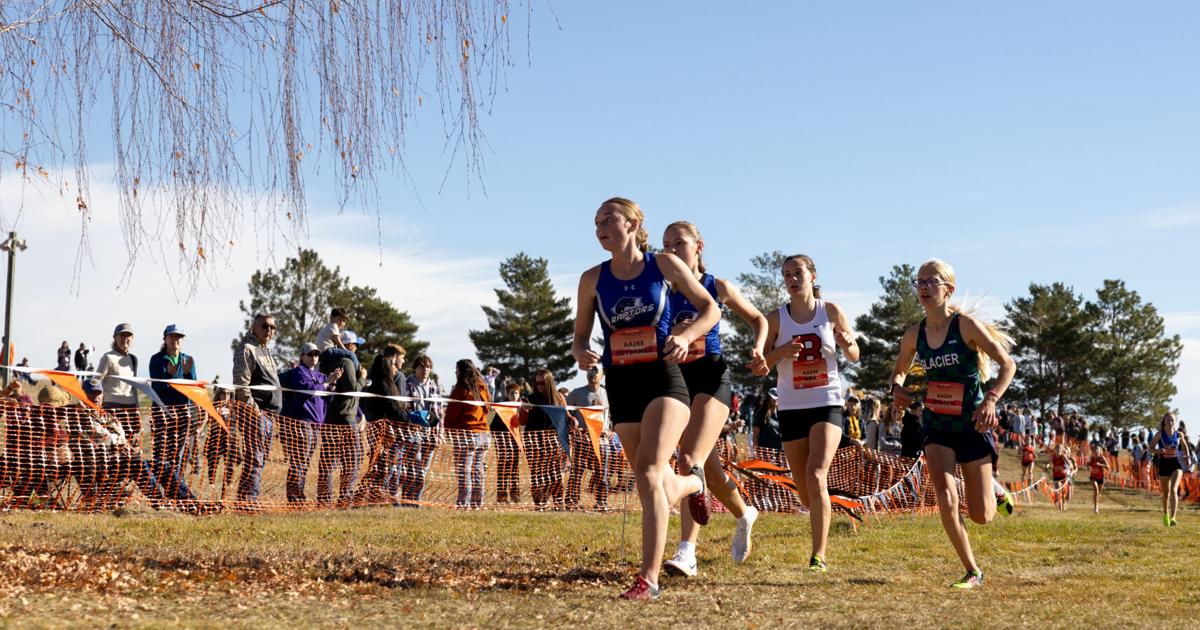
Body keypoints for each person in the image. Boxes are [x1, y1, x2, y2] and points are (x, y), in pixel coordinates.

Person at [571, 198, 717, 601]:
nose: (600, 227)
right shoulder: (591, 279)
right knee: (652, 482)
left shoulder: (664, 265)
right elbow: (580, 336)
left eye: (609, 219)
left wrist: (686, 337)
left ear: (633, 224)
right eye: (596, 221)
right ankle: (693, 484)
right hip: (621, 383)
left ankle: (648, 580)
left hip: (664, 379)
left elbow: (711, 310)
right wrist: (582, 352)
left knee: (651, 472)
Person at [889, 259, 1016, 589]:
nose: (925, 288)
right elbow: (899, 372)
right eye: (920, 283)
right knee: (945, 498)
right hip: (936, 426)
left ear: (949, 289)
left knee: (981, 516)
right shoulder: (913, 335)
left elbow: (1008, 365)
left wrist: (990, 400)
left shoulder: (967, 327)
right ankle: (973, 571)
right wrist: (896, 391)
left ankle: (995, 489)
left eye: (932, 282)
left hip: (972, 424)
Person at [659, 220, 768, 577]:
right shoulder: (659, 290)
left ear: (698, 246)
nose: (672, 250)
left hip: (711, 377)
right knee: (710, 473)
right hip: (676, 381)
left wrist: (757, 347)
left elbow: (758, 319)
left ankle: (687, 552)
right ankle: (744, 513)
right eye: (666, 245)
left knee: (688, 458)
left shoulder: (715, 286)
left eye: (679, 243)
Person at [763, 253, 860, 574]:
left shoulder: (829, 311)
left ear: (812, 276)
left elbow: (855, 355)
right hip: (791, 406)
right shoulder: (775, 319)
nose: (792, 279)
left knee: (817, 474)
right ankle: (822, 509)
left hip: (827, 401)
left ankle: (818, 555)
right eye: (787, 274)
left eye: (798, 273)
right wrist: (780, 352)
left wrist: (848, 344)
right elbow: (758, 365)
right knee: (806, 492)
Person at [232, 313, 283, 509]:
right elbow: (241, 384)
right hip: (256, 415)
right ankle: (248, 502)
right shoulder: (247, 348)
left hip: (270, 416)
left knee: (259, 460)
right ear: (254, 327)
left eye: (272, 327)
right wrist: (256, 412)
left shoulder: (265, 350)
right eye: (264, 326)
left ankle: (246, 500)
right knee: (255, 459)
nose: (269, 330)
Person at [279, 343, 340, 505]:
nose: (314, 357)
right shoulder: (298, 372)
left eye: (316, 354)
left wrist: (332, 382)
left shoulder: (321, 375)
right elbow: (309, 389)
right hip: (302, 422)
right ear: (302, 356)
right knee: (299, 461)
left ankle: (299, 496)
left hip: (316, 424)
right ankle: (294, 498)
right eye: (310, 354)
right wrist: (327, 383)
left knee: (304, 462)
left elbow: (328, 397)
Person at [147, 324, 198, 502]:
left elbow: (193, 389)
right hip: (162, 413)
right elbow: (158, 387)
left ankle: (176, 491)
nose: (176, 340)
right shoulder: (157, 359)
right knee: (161, 454)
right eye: (172, 337)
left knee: (178, 454)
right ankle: (158, 492)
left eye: (179, 337)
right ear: (165, 339)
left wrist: (188, 377)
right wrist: (170, 376)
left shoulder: (188, 360)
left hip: (183, 413)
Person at [317, 330, 364, 508]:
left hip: (329, 417)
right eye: (355, 345)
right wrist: (362, 378)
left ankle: (323, 501)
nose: (357, 350)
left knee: (327, 463)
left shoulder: (327, 362)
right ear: (348, 346)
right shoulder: (347, 361)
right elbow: (353, 389)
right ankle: (345, 500)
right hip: (346, 418)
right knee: (351, 462)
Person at [359, 347, 409, 504]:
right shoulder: (383, 384)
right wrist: (407, 418)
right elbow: (393, 406)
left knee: (384, 462)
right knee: (382, 462)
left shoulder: (377, 382)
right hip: (381, 428)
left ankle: (377, 493)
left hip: (381, 427)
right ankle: (374, 494)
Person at [443, 359, 492, 509]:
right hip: (484, 435)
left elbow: (452, 412)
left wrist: (448, 428)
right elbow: (487, 409)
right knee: (477, 471)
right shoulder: (482, 387)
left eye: (457, 370)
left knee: (464, 471)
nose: (455, 372)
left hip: (467, 434)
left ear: (462, 371)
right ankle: (476, 504)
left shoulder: (461, 389)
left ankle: (463, 504)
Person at [400, 354, 444, 504]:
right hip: (413, 432)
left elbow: (439, 413)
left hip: (430, 433)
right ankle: (407, 498)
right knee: (413, 467)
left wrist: (439, 434)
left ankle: (415, 500)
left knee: (423, 470)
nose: (426, 370)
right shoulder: (407, 384)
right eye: (422, 366)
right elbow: (405, 409)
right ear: (415, 368)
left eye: (428, 367)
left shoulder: (434, 387)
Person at [566, 365, 612, 510]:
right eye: (590, 372)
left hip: (602, 438)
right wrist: (571, 422)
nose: (592, 374)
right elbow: (564, 410)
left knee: (602, 472)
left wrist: (612, 429)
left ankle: (601, 502)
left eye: (595, 372)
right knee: (577, 471)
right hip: (583, 437)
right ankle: (572, 502)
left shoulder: (607, 393)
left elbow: (613, 414)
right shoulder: (577, 393)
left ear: (602, 375)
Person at [524, 368, 568, 509]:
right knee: (537, 474)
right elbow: (521, 421)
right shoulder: (529, 398)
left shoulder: (559, 398)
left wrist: (573, 420)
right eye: (536, 384)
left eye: (542, 383)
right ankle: (539, 504)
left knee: (555, 474)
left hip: (554, 442)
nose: (539, 387)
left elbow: (566, 417)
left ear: (549, 382)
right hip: (534, 442)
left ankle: (558, 503)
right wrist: (523, 410)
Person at [95, 323, 142, 445]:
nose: (125, 339)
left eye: (128, 336)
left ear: (132, 338)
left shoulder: (133, 359)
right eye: (121, 335)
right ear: (115, 337)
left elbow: (134, 386)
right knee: (114, 444)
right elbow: (96, 381)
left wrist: (137, 409)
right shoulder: (108, 357)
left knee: (130, 444)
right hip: (111, 407)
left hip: (130, 408)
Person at [1148, 412, 1189, 526]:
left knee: (1174, 490)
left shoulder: (1179, 434)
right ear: (1164, 422)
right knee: (1166, 492)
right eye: (1168, 420)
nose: (1170, 423)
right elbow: (1150, 448)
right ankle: (1165, 514)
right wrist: (1158, 451)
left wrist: (1187, 457)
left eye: (1172, 420)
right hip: (1164, 464)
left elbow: (1185, 446)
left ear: (1174, 422)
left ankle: (1173, 517)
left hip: (1176, 464)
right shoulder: (1160, 434)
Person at [492, 381, 526, 504]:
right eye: (511, 393)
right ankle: (501, 496)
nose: (514, 395)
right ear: (507, 394)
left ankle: (515, 495)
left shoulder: (522, 407)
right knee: (503, 469)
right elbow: (494, 426)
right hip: (503, 441)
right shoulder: (503, 408)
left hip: (516, 441)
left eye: (516, 393)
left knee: (514, 469)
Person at [752, 389, 783, 455]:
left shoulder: (780, 413)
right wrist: (756, 452)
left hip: (778, 452)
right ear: (769, 398)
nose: (775, 399)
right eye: (773, 397)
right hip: (764, 452)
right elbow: (755, 435)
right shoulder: (761, 413)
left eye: (777, 397)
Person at [1046, 442, 1075, 510]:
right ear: (1055, 450)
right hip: (1056, 476)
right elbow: (1050, 462)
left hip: (1064, 476)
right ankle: (1060, 507)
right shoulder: (1053, 456)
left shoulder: (1063, 456)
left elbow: (1070, 464)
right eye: (1056, 449)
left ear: (1061, 450)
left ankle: (1063, 503)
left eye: (1059, 450)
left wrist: (1068, 468)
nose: (1058, 451)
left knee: (1067, 494)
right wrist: (1048, 465)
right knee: (1058, 489)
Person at [1087, 442, 1109, 515]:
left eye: (1097, 450)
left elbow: (1108, 467)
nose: (1095, 452)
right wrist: (1088, 465)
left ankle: (1097, 505)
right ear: (1093, 452)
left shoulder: (1102, 458)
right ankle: (1095, 507)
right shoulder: (1092, 458)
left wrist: (1100, 464)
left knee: (1098, 494)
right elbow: (1088, 464)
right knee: (1096, 491)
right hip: (1093, 477)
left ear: (1100, 452)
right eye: (1094, 450)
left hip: (1101, 477)